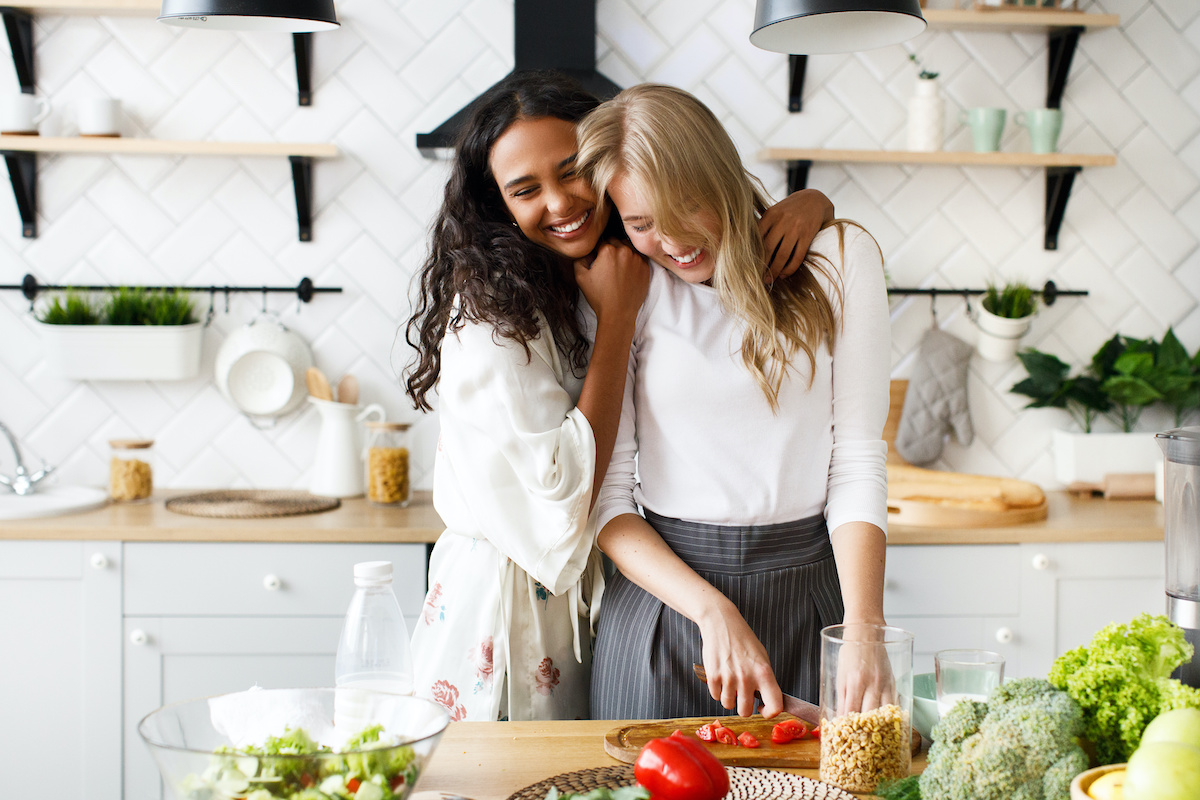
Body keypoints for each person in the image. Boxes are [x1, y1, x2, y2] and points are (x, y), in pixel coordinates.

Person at [404, 71, 835, 722]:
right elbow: (565, 490)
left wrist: (811, 203)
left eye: (572, 170)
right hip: (505, 606)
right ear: (498, 205)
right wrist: (618, 320)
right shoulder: (490, 319)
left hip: (590, 597)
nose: (558, 202)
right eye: (525, 189)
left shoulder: (606, 267)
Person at [575, 84, 891, 721]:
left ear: (720, 178)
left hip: (811, 604)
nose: (673, 241)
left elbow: (855, 463)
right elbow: (606, 501)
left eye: (686, 207)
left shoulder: (839, 258)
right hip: (664, 615)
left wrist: (864, 627)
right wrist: (711, 610)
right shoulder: (626, 286)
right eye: (641, 223)